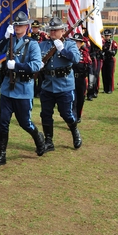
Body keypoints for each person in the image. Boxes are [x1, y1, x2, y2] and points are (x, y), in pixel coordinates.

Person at [0, 11, 45, 167]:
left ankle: (38, 138)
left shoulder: (32, 44)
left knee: (25, 123)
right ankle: (2, 155)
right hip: (8, 88)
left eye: (21, 25)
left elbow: (36, 65)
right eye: (16, 25)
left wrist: (18, 66)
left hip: (22, 88)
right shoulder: (10, 40)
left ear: (27, 26)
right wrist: (5, 38)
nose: (18, 27)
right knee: (3, 122)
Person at [39, 16, 81, 152]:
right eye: (51, 30)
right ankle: (49, 141)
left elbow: (75, 59)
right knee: (45, 114)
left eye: (55, 30)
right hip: (48, 85)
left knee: (66, 113)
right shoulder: (43, 45)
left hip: (64, 85)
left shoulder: (69, 44)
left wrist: (63, 50)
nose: (52, 33)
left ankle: (74, 131)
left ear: (62, 31)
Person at [72, 32, 92, 124]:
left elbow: (90, 66)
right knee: (72, 99)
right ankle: (73, 117)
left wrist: (91, 81)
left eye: (78, 41)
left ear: (81, 43)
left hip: (81, 79)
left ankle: (78, 116)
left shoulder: (85, 53)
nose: (76, 43)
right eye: (74, 41)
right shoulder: (69, 53)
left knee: (80, 99)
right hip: (71, 79)